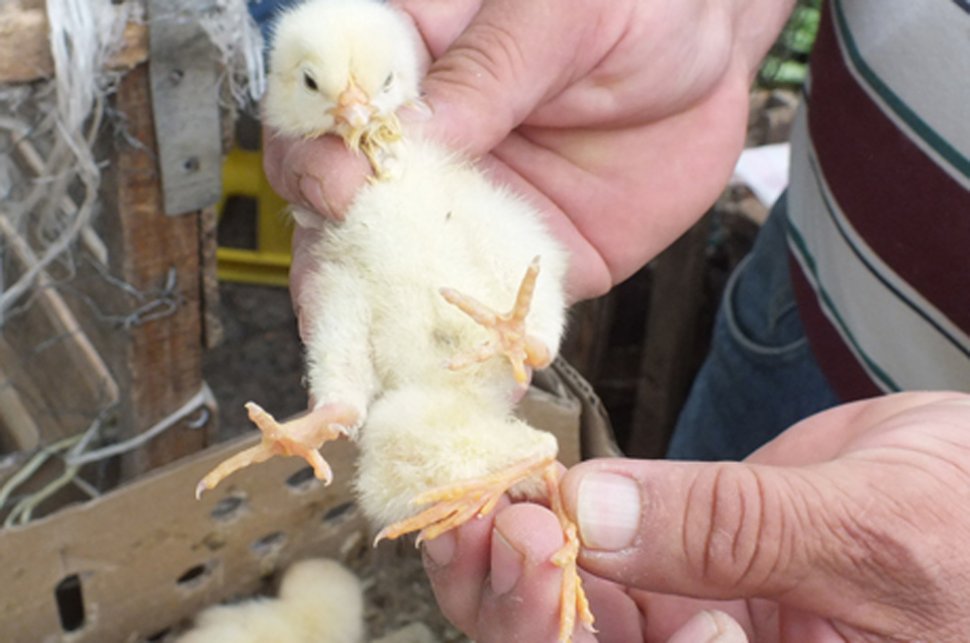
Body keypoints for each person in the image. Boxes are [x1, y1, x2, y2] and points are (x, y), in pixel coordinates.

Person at [261, 0, 970, 639]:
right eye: (324, 90)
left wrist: (524, 330)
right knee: (659, 570)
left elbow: (520, 256)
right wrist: (721, 20)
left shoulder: (440, 183)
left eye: (371, 90)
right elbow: (350, 306)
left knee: (661, 534)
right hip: (811, 282)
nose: (355, 111)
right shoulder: (399, 189)